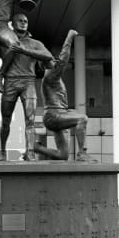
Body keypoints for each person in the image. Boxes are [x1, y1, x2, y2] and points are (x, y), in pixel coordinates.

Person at [0, 12, 53, 161]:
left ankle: (30, 152)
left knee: (30, 120)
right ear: (12, 24)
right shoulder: (3, 42)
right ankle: (2, 151)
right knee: (5, 120)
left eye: (25, 21)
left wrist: (24, 50)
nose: (23, 22)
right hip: (10, 82)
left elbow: (49, 58)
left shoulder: (35, 43)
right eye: (19, 20)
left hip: (29, 82)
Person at [33, 29, 95, 162]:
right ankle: (82, 153)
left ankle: (37, 148)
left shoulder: (51, 77)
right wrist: (70, 37)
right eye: (52, 59)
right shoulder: (51, 75)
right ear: (48, 63)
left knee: (63, 155)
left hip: (54, 117)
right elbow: (64, 59)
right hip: (54, 116)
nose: (55, 61)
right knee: (82, 119)